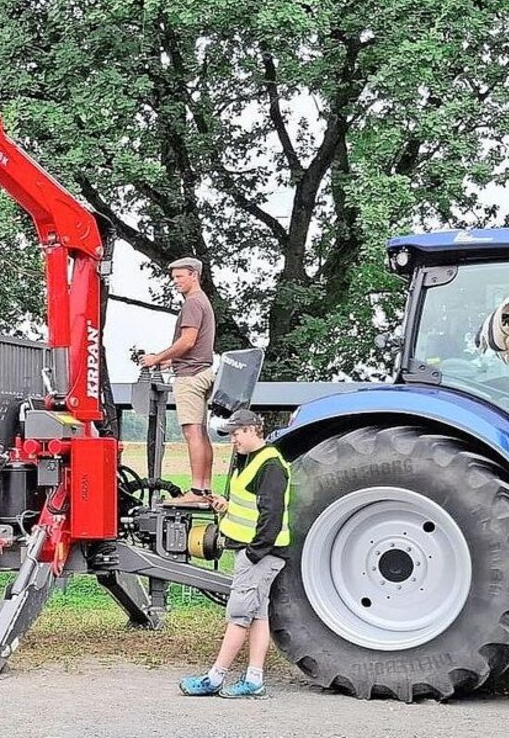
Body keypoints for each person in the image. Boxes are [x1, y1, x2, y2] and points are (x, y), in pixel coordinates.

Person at [180, 408, 291, 699]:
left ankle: (215, 677)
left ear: (254, 429)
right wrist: (227, 506)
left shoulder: (270, 465)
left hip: (258, 553)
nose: (233, 440)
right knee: (258, 616)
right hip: (260, 552)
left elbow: (272, 516)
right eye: (231, 434)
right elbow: (255, 507)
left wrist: (254, 554)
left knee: (239, 614)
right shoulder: (252, 461)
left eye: (237, 433)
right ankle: (254, 679)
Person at [138, 256, 216, 506]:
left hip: (190, 377)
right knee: (202, 433)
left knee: (192, 432)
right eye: (174, 278)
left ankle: (196, 491)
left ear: (194, 274)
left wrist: (157, 358)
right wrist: (169, 362)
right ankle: (205, 489)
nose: (176, 282)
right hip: (202, 371)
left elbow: (188, 341)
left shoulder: (193, 303)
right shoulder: (203, 302)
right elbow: (196, 348)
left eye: (180, 277)